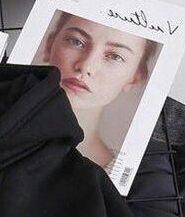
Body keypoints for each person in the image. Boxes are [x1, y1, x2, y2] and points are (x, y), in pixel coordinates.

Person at [41, 11, 159, 169]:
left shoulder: (123, 175)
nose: (86, 66)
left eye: (115, 56)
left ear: (135, 77)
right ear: (49, 45)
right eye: (76, 42)